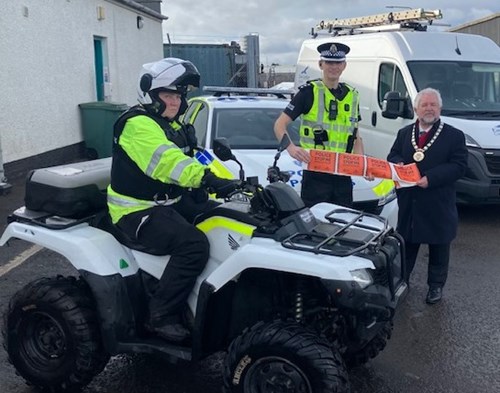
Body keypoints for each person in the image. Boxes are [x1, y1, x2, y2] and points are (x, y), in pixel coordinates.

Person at [107, 58, 238, 342]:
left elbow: (197, 159)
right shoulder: (138, 125)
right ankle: (161, 315)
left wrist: (231, 184)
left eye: (178, 96)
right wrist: (206, 180)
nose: (176, 102)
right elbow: (168, 162)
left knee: (230, 218)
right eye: (168, 95)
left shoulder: (174, 125)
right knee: (193, 245)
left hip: (170, 202)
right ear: (151, 95)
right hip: (138, 210)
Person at [387, 88, 468, 304]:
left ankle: (435, 286)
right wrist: (399, 164)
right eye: (425, 105)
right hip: (410, 201)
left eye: (433, 105)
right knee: (407, 245)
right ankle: (402, 280)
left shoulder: (454, 136)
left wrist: (430, 178)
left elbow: (459, 166)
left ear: (440, 109)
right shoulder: (404, 134)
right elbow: (393, 154)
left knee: (439, 247)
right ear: (416, 109)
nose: (429, 108)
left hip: (438, 201)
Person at [274, 42, 367, 208]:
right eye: (329, 62)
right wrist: (292, 148)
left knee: (343, 225)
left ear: (344, 66)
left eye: (338, 63)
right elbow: (279, 125)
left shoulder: (353, 96)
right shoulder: (308, 93)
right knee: (316, 227)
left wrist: (362, 164)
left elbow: (356, 136)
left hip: (343, 174)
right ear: (320, 64)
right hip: (316, 174)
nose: (333, 67)